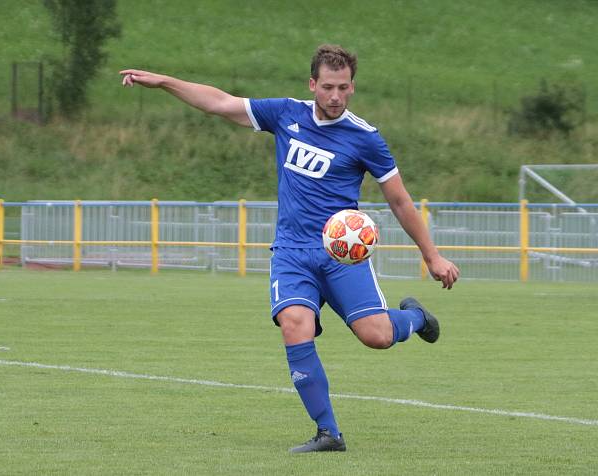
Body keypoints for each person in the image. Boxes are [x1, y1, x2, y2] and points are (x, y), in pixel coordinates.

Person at [120, 44, 459, 453]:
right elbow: (221, 104)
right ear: (313, 84)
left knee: (377, 337)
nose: (335, 96)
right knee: (294, 325)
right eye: (328, 87)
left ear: (353, 88)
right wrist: (163, 82)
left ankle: (415, 318)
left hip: (340, 256)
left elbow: (400, 201)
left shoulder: (366, 138)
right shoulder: (286, 114)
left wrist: (432, 256)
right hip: (292, 253)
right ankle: (328, 432)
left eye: (344, 88)